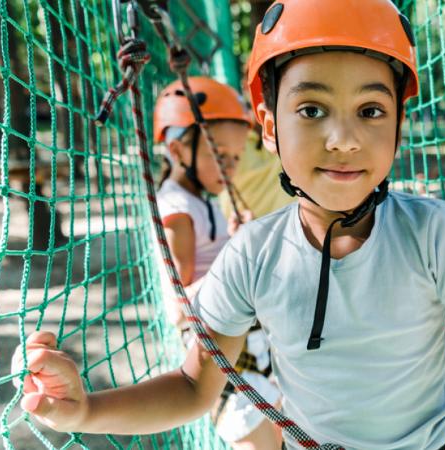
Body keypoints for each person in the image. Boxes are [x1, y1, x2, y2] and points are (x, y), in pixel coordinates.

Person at [14, 1, 445, 449]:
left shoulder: (432, 234)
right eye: (311, 109)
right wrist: (85, 412)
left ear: (398, 122)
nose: (343, 138)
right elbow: (196, 388)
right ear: (267, 125)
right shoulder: (252, 258)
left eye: (371, 110)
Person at [153, 76, 281, 449]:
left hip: (246, 343)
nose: (229, 169)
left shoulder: (204, 200)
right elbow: (180, 306)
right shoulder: (177, 211)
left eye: (236, 159)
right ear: (178, 151)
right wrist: (240, 264)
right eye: (220, 157)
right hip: (220, 356)